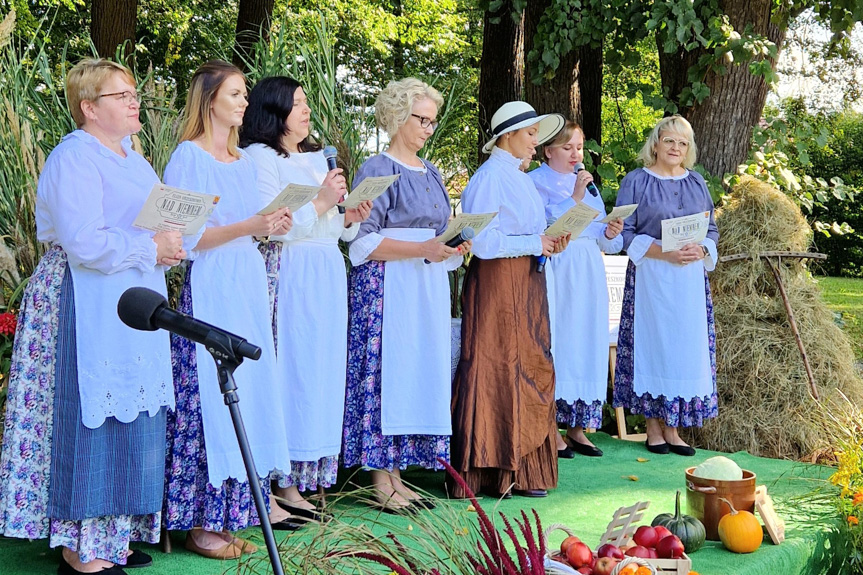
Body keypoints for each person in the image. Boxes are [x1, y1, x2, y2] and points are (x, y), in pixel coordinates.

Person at [0, 58, 184, 575]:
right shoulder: (73, 157)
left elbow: (147, 225)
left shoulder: (134, 158)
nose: (134, 101)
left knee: (134, 416)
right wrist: (150, 247)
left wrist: (170, 240)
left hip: (130, 298)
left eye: (133, 93)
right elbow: (83, 243)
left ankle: (112, 536)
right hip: (83, 300)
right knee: (88, 416)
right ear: (89, 108)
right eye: (120, 95)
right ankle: (81, 551)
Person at [161, 60, 296, 560]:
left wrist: (268, 225)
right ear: (210, 99)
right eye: (235, 93)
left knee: (250, 393)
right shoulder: (187, 159)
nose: (244, 102)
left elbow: (249, 226)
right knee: (209, 399)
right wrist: (249, 225)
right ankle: (199, 524)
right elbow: (185, 239)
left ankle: (230, 514)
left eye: (244, 95)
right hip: (212, 284)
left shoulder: (243, 161)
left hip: (247, 282)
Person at [240, 76, 372, 519]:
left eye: (305, 101)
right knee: (292, 368)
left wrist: (347, 214)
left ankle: (310, 475)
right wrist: (318, 203)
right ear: (274, 110)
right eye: (296, 103)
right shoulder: (259, 157)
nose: (306, 109)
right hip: (289, 267)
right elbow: (270, 222)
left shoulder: (318, 157)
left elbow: (332, 226)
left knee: (322, 371)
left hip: (326, 269)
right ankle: (282, 479)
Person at [343, 77, 467, 513]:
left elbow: (436, 234)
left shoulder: (431, 172)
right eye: (422, 120)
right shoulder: (375, 169)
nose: (428, 129)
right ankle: (381, 479)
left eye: (433, 123)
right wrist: (422, 249)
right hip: (386, 289)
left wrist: (452, 245)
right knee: (386, 373)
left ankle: (399, 474)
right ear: (397, 117)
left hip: (423, 287)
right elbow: (360, 241)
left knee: (415, 372)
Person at [450, 101, 567, 499]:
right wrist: (536, 241)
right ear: (509, 135)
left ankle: (524, 469)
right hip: (498, 284)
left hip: (528, 281)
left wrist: (549, 240)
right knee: (497, 364)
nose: (537, 142)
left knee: (531, 361)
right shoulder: (487, 180)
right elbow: (482, 242)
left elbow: (524, 232)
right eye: (531, 134)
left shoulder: (519, 178)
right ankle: (490, 470)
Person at [612, 115, 719, 457]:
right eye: (669, 141)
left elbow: (711, 229)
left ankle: (674, 428)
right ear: (656, 143)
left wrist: (702, 248)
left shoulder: (697, 182)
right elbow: (624, 233)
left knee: (682, 352)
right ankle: (653, 428)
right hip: (652, 277)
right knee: (655, 346)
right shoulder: (636, 181)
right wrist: (663, 251)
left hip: (688, 280)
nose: (675, 148)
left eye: (682, 143)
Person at [529, 122, 624, 459]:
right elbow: (541, 225)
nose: (575, 154)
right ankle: (549, 428)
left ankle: (578, 428)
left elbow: (601, 237)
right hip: (558, 265)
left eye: (580, 147)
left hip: (587, 267)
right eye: (567, 147)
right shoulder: (535, 182)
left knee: (586, 340)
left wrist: (610, 232)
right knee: (560, 339)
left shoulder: (589, 186)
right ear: (548, 150)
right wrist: (575, 198)